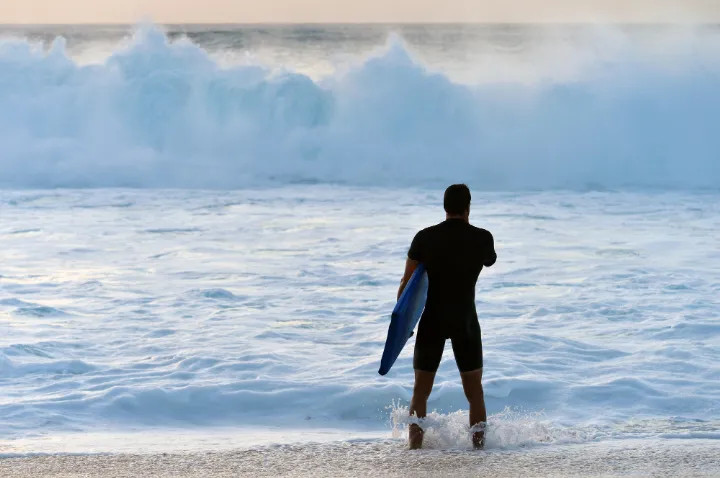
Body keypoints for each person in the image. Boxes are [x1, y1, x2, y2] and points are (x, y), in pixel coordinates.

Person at [397, 184, 497, 450]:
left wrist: (403, 326)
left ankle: (415, 450)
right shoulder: (483, 238)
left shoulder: (424, 238)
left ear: (444, 207)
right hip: (465, 319)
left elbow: (407, 286)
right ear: (468, 206)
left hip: (432, 320)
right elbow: (489, 260)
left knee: (421, 390)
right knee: (475, 392)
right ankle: (479, 451)